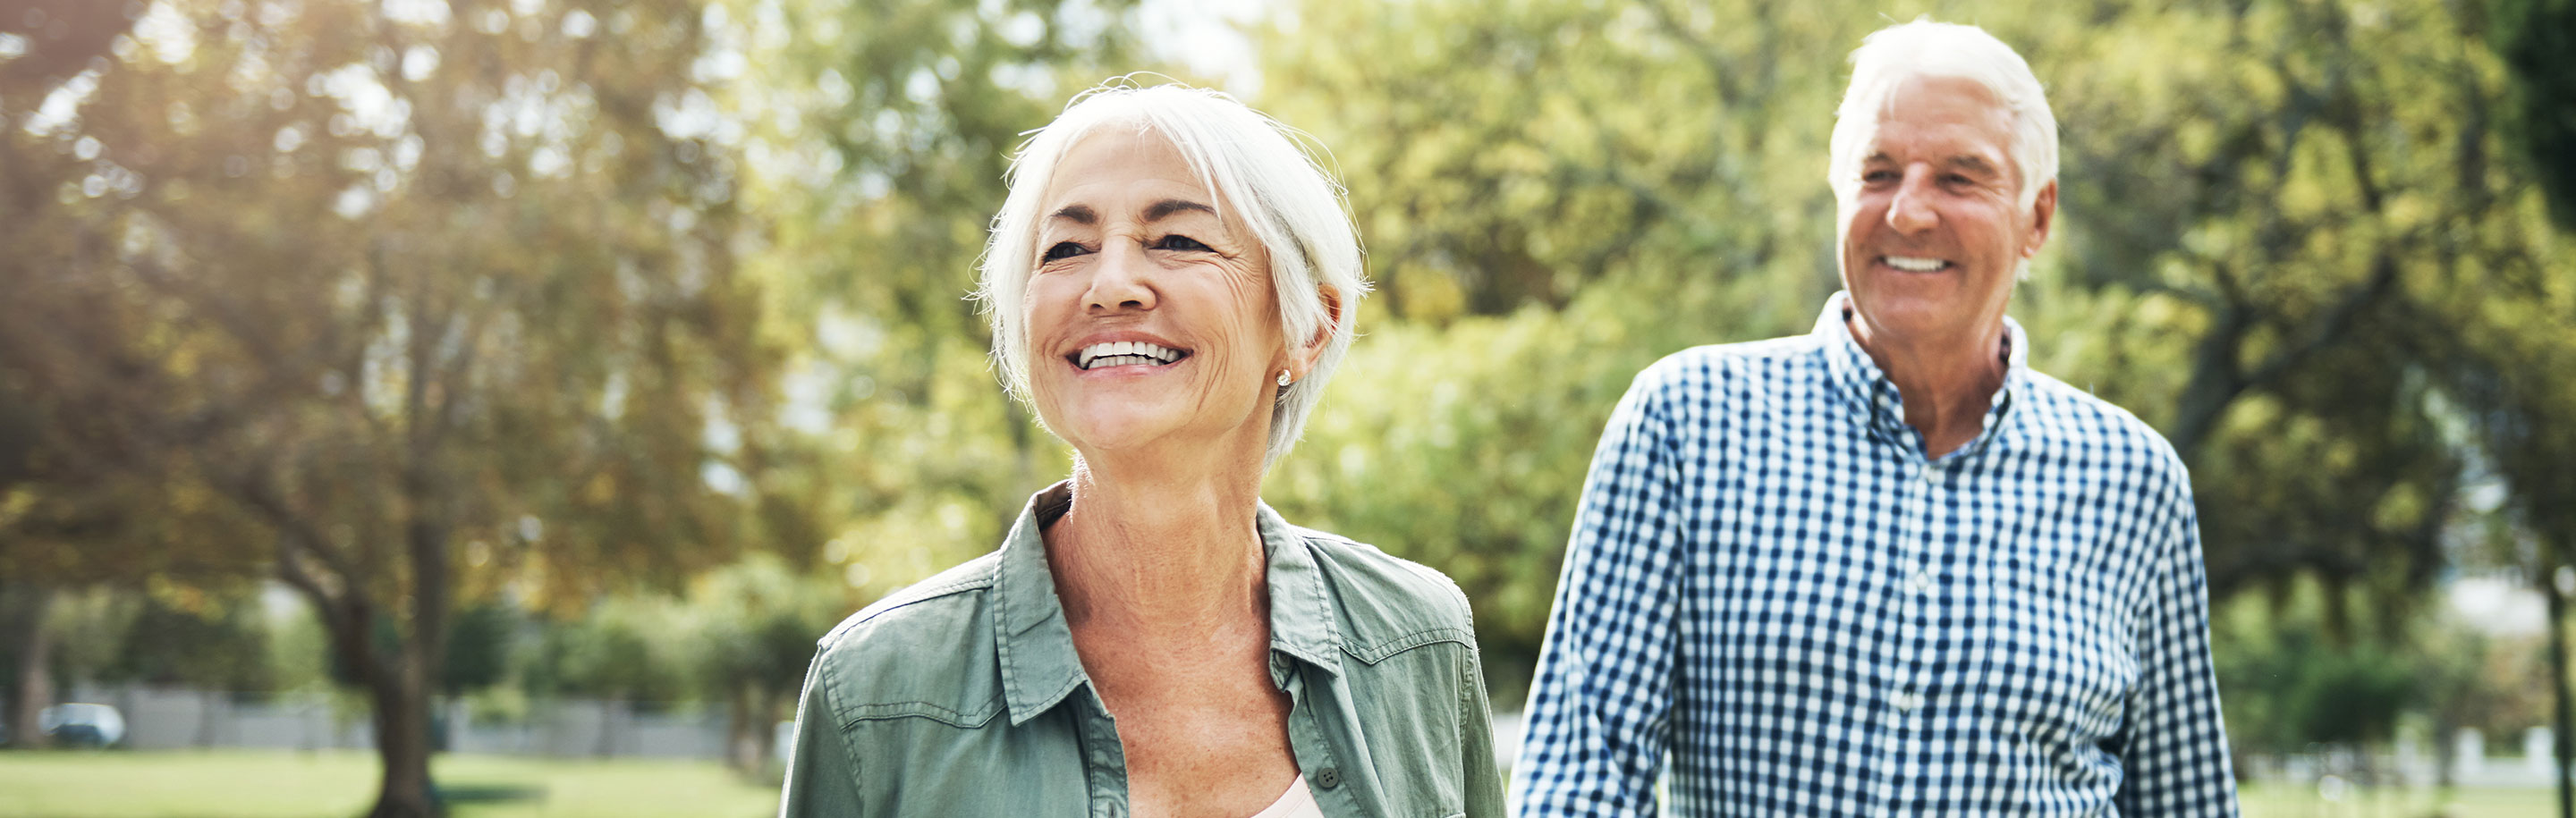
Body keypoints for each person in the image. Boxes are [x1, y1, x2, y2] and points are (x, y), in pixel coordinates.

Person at [1511, 20, 2239, 817]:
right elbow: (1579, 777)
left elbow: (2186, 804)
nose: (1910, 212)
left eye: (1960, 177)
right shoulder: (1685, 422)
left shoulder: (2135, 481)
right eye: (1879, 173)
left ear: (2037, 218)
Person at [779, 81, 1505, 818]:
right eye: (1066, 249)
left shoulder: (1419, 638)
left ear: (1308, 324)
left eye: (1178, 240)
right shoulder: (875, 693)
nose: (1111, 284)